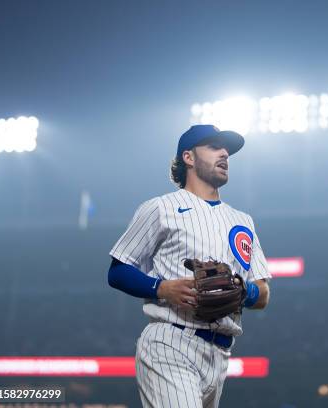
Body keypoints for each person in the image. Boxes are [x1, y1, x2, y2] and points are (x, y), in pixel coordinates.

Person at [107, 124, 271, 408]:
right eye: (214, 146)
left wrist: (244, 292)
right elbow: (117, 270)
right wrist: (161, 288)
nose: (224, 154)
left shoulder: (243, 221)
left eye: (227, 150)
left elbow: (263, 293)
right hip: (171, 340)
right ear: (189, 157)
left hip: (220, 354)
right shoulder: (161, 208)